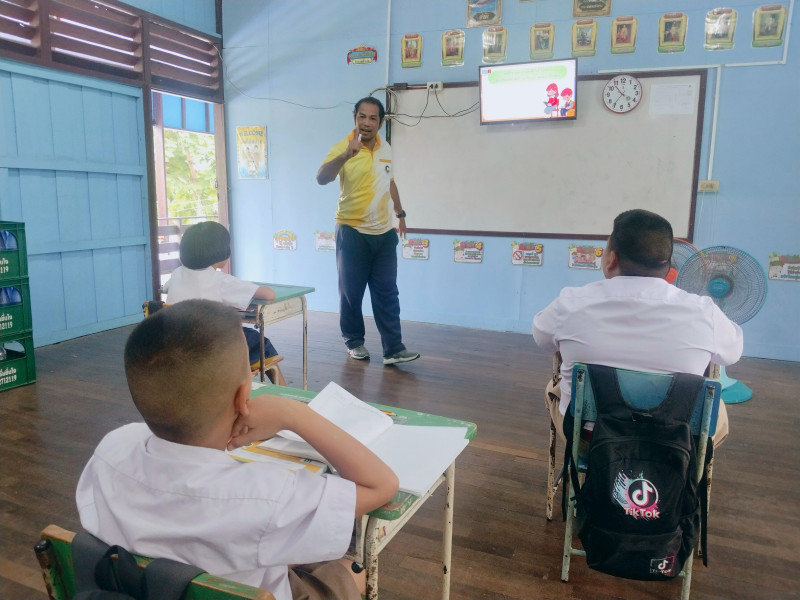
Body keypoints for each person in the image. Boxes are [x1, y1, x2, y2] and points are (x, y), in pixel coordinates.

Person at [76, 299, 399, 600]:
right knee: (351, 570)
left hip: (147, 587)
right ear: (244, 395)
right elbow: (382, 485)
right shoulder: (266, 497)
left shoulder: (111, 450)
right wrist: (293, 414)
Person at [533, 209, 743, 447]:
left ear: (611, 259)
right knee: (714, 404)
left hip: (590, 440)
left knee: (553, 388)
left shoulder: (571, 303)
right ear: (669, 267)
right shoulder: (704, 311)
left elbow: (542, 338)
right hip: (675, 442)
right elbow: (731, 354)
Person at [316, 97, 420, 366]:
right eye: (362, 116)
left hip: (384, 234)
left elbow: (390, 182)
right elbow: (322, 178)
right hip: (352, 231)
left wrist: (401, 214)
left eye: (373, 118)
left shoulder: (386, 148)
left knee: (388, 293)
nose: (366, 122)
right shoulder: (342, 147)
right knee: (351, 293)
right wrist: (345, 155)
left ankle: (393, 349)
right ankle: (354, 342)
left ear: (380, 123)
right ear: (355, 118)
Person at [163, 221, 286, 385]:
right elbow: (269, 294)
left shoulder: (177, 274)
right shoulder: (221, 281)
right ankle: (284, 392)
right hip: (212, 347)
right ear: (222, 252)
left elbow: (164, 288)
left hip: (177, 345)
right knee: (261, 343)